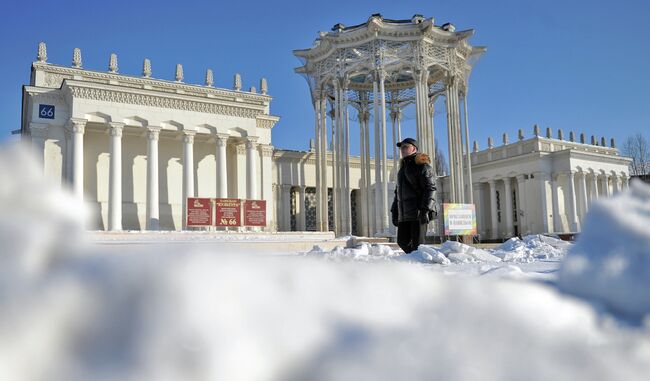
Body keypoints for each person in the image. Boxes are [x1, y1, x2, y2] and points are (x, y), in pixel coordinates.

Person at [390, 138, 437, 253]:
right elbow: (398, 194)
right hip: (405, 215)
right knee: (402, 242)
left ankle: (421, 266)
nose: (402, 149)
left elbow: (430, 189)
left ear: (414, 149)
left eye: (406, 147)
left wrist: (425, 210)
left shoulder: (423, 166)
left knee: (418, 246)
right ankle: (414, 263)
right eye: (401, 148)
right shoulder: (402, 169)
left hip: (419, 213)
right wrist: (395, 211)